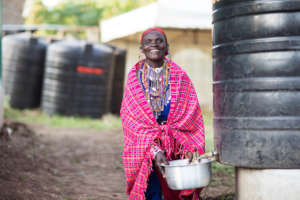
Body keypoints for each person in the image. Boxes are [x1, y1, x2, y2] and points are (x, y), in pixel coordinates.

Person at [120, 27, 205, 200]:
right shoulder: (134, 78)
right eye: (148, 42)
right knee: (151, 192)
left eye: (159, 41)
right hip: (145, 146)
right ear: (142, 48)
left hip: (176, 144)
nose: (154, 45)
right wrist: (155, 150)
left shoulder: (180, 76)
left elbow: (192, 115)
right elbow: (132, 122)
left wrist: (187, 146)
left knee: (179, 189)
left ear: (167, 47)